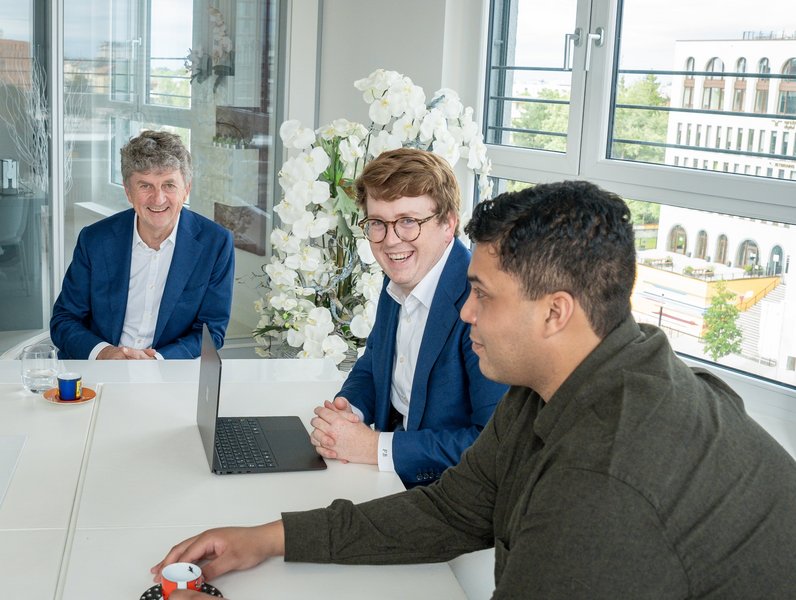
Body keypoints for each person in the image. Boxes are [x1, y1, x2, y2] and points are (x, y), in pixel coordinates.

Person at [153, 180, 796, 598]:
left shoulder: (607, 485)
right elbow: (452, 510)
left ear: (555, 312)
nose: (464, 313)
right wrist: (268, 538)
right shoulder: (553, 382)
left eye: (482, 296)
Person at [308, 147, 507, 486]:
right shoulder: (402, 272)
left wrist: (375, 447)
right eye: (377, 224)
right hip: (389, 477)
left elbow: (493, 445)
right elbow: (375, 363)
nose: (390, 241)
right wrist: (348, 411)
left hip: (452, 495)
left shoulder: (484, 303)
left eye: (408, 222)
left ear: (448, 224)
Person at [50, 130, 234, 360]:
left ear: (186, 189)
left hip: (169, 372)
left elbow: (211, 332)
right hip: (100, 373)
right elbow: (64, 320)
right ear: (128, 191)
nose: (158, 199)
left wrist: (156, 362)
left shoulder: (215, 243)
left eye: (169, 185)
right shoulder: (95, 239)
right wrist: (104, 353)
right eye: (145, 186)